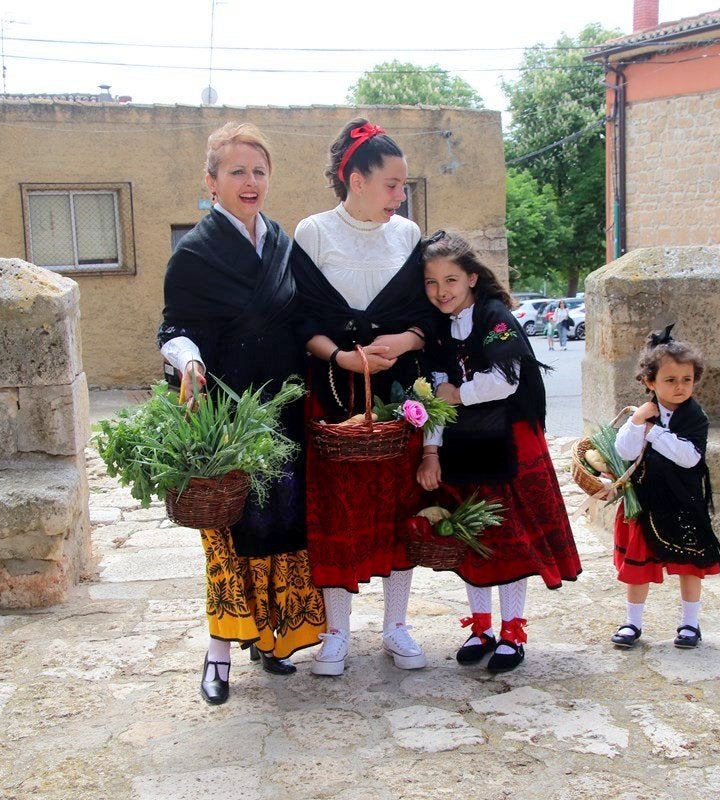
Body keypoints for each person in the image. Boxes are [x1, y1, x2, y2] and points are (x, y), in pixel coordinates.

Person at [158, 121, 325, 705]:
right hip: (227, 418)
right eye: (236, 171)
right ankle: (219, 653)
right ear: (211, 181)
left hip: (282, 412)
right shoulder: (195, 255)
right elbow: (173, 330)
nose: (249, 182)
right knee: (228, 534)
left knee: (278, 525)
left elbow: (303, 317)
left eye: (258, 171)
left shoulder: (280, 242)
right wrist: (190, 361)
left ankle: (270, 639)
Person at [291, 118, 437, 676]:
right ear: (355, 178)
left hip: (400, 391)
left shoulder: (407, 234)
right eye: (392, 183)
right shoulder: (314, 232)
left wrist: (400, 342)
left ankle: (397, 628)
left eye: (403, 185)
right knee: (337, 509)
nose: (400, 196)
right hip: (332, 389)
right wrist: (344, 357)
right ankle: (336, 634)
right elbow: (299, 317)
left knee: (398, 507)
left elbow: (426, 318)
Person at [417, 234, 581, 672]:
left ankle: (513, 631)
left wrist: (458, 392)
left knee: (510, 539)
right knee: (472, 536)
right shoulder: (435, 329)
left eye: (451, 279)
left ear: (472, 277)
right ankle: (481, 627)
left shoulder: (495, 316)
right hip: (463, 446)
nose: (442, 291)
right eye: (431, 283)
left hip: (508, 442)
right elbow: (435, 398)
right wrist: (430, 451)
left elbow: (505, 378)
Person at [609, 325, 720, 651]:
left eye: (686, 380)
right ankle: (632, 622)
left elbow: (689, 457)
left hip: (682, 501)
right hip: (645, 501)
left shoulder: (695, 417)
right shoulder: (644, 414)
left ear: (695, 380)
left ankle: (690, 623)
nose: (679, 387)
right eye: (670, 380)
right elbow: (624, 452)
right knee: (638, 568)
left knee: (690, 564)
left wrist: (653, 432)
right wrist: (638, 424)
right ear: (650, 383)